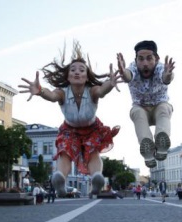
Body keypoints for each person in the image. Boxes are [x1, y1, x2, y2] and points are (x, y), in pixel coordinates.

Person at [19, 42, 120, 198]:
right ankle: (60, 178)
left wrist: (111, 84)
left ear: (87, 77)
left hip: (92, 129)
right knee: (65, 151)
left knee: (93, 152)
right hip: (70, 130)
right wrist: (40, 91)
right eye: (73, 70)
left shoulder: (91, 90)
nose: (77, 72)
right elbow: (51, 96)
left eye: (81, 70)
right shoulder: (63, 93)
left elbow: (101, 91)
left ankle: (97, 178)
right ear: (68, 76)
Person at [117, 40, 175, 168]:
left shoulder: (161, 68)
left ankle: (161, 142)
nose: (145, 64)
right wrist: (122, 72)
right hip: (141, 109)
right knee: (136, 111)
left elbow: (166, 78)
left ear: (157, 58)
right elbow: (128, 76)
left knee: (164, 108)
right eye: (141, 59)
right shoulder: (133, 68)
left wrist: (168, 74)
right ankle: (147, 148)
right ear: (136, 60)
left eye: (149, 59)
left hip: (159, 108)